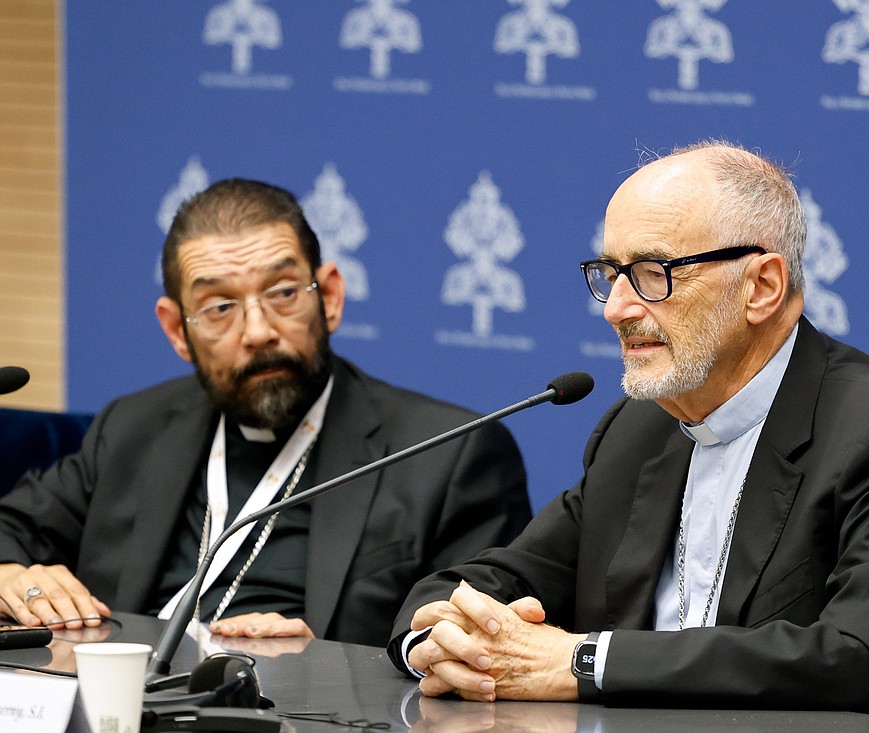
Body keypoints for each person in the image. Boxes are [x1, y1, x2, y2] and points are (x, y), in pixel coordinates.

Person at [388, 141, 869, 728]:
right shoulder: (638, 430)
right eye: (610, 273)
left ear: (762, 286)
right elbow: (495, 580)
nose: (616, 309)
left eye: (654, 272)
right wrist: (437, 641)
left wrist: (582, 662)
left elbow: (859, 657)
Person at [0, 178, 531, 646]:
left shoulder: (449, 454)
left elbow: (479, 641)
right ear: (176, 330)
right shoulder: (134, 428)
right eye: (220, 308)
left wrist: (326, 662)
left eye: (281, 293)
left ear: (330, 296)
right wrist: (14, 577)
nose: (258, 332)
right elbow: (10, 529)